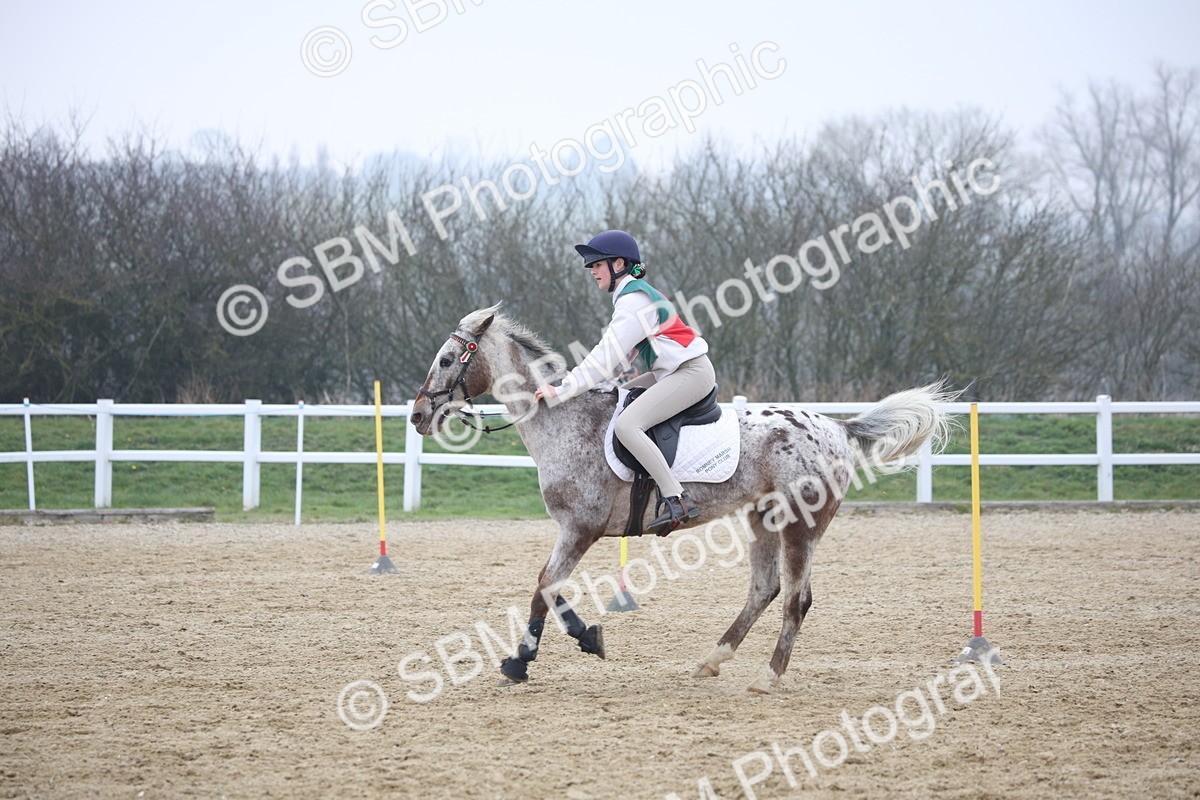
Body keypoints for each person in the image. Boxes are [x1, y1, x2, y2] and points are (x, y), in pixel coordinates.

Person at [534, 230, 716, 535]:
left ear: (618, 263)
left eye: (596, 264)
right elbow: (620, 360)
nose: (591, 271)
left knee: (627, 426)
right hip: (672, 372)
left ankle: (676, 499)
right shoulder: (631, 296)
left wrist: (564, 388)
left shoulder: (633, 301)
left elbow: (604, 357)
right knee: (616, 397)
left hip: (689, 373)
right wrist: (598, 384)